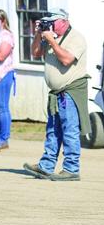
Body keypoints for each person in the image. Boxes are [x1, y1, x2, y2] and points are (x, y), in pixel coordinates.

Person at [24, 10, 89, 181]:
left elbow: (67, 59)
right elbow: (36, 53)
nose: (49, 25)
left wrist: (51, 41)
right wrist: (39, 34)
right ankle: (46, 166)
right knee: (53, 130)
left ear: (64, 21)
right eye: (47, 22)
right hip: (56, 92)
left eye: (52, 22)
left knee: (70, 131)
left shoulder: (76, 38)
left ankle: (71, 169)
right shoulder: (52, 37)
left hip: (70, 91)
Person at [0, 9, 14, 149]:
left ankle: (4, 137)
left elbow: (1, 56)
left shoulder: (6, 36)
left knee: (2, 107)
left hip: (4, 73)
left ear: (3, 21)